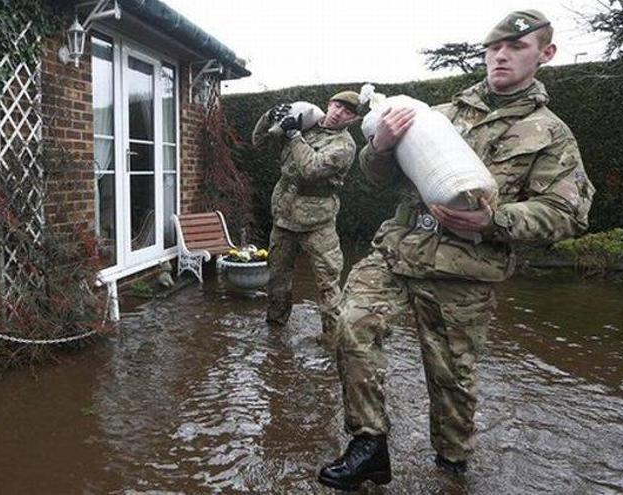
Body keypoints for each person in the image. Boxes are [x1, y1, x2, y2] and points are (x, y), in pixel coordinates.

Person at [318, 10, 595, 490]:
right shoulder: (438, 115)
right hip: (398, 250)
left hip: (465, 269)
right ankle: (369, 443)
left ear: (545, 54)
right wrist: (379, 147)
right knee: (351, 322)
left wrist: (495, 220)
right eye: (493, 48)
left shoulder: (551, 135)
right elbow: (378, 178)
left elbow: (566, 213)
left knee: (452, 380)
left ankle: (452, 463)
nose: (501, 56)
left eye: (516, 47)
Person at [252, 91, 361, 340]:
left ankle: (333, 340)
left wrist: (294, 136)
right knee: (277, 277)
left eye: (347, 112)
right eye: (337, 106)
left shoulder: (344, 146)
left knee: (327, 281)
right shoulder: (306, 123)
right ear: (329, 104)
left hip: (318, 223)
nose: (339, 113)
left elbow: (310, 170)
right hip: (284, 218)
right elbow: (259, 142)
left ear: (352, 120)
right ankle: (276, 329)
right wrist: (268, 117)